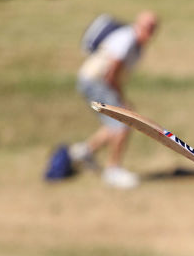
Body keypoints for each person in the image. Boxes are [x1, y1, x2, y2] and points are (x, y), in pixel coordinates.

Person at [68, 11, 159, 189]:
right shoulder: (127, 39)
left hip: (94, 80)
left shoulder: (135, 43)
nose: (150, 31)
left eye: (153, 28)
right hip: (96, 81)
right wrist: (121, 100)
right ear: (138, 24)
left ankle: (84, 152)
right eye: (147, 26)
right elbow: (111, 73)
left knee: (114, 125)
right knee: (124, 122)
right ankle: (113, 170)